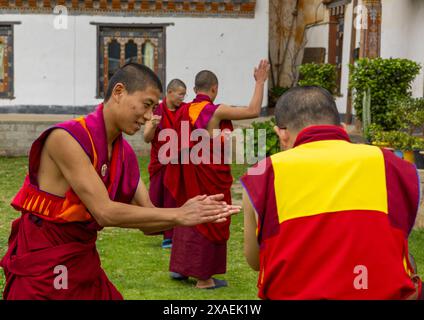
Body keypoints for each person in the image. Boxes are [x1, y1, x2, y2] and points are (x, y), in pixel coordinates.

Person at [0, 63, 239, 300]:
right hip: (45, 263)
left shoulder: (124, 155)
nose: (149, 117)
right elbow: (105, 212)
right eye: (146, 105)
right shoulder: (67, 138)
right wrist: (178, 214)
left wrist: (198, 214)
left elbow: (148, 221)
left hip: (81, 260)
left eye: (154, 108)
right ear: (118, 92)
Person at [241, 86, 423, 300]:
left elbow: (255, 260)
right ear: (343, 127)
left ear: (281, 134)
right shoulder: (389, 164)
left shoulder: (264, 174)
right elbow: (395, 236)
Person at [165, 60, 270, 289]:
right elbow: (252, 111)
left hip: (189, 170)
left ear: (194, 90)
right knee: (210, 214)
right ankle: (204, 279)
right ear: (214, 89)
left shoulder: (183, 109)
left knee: (189, 211)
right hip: (209, 173)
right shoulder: (215, 110)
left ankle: (181, 268)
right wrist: (260, 82)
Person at [144, 79, 187, 249]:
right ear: (170, 92)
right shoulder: (156, 110)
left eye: (184, 95)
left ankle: (171, 236)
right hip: (160, 162)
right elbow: (147, 138)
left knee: (174, 197)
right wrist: (153, 126)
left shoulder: (184, 110)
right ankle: (164, 231)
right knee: (158, 199)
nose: (182, 98)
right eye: (180, 94)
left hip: (178, 162)